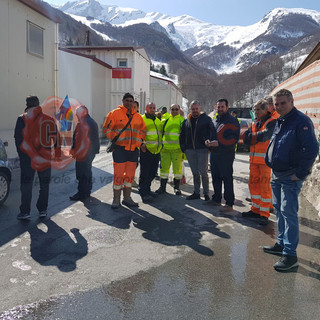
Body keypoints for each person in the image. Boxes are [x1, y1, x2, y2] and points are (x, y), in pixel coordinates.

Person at [264, 89, 318, 271]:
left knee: (289, 213)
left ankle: (290, 255)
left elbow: (311, 149)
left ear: (292, 101)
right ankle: (281, 244)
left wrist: (301, 173)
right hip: (277, 174)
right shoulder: (281, 120)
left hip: (290, 175)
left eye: (283, 103)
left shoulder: (301, 121)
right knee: (279, 210)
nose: (279, 107)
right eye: (276, 104)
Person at [14, 95, 61, 220]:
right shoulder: (48, 119)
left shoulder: (21, 119)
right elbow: (56, 138)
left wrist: (22, 156)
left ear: (27, 105)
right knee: (44, 185)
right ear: (38, 105)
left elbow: (18, 139)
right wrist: (56, 155)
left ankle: (25, 212)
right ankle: (42, 210)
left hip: (28, 159)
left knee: (26, 184)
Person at [103, 93, 146, 209]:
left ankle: (127, 198)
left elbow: (143, 130)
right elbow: (106, 128)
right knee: (118, 176)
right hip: (120, 150)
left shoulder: (137, 117)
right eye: (126, 100)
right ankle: (116, 199)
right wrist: (115, 138)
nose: (129, 102)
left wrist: (140, 141)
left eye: (131, 101)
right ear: (122, 101)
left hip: (133, 151)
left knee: (130, 177)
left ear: (133, 103)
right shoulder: (114, 113)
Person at [241, 99, 276, 224]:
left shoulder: (272, 122)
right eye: (255, 110)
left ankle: (264, 213)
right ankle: (255, 210)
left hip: (265, 161)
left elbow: (266, 135)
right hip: (254, 160)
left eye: (258, 110)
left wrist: (252, 137)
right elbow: (245, 138)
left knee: (264, 187)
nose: (256, 112)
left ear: (265, 109)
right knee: (253, 185)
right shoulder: (255, 122)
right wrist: (253, 137)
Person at [206, 99, 240, 211]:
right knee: (215, 177)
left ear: (227, 107)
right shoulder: (215, 120)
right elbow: (211, 135)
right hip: (215, 154)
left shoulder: (232, 121)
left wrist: (219, 143)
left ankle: (229, 203)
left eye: (222, 107)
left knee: (227, 178)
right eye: (218, 107)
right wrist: (208, 141)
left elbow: (233, 139)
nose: (220, 109)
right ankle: (216, 199)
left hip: (226, 155)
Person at [179, 100, 216, 201]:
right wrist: (184, 148)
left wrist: (208, 146)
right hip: (190, 150)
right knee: (195, 172)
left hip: (202, 149)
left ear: (200, 108)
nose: (195, 111)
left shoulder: (207, 119)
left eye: (196, 109)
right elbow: (182, 135)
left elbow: (211, 132)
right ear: (190, 109)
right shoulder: (186, 121)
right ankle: (196, 192)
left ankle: (206, 194)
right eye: (193, 109)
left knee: (203, 173)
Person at [69, 105, 100, 201]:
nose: (76, 115)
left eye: (77, 113)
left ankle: (82, 193)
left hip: (84, 153)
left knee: (82, 173)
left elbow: (86, 140)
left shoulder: (87, 123)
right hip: (84, 153)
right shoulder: (86, 121)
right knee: (86, 172)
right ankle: (86, 191)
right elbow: (77, 137)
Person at [156, 104, 184, 195]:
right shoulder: (165, 120)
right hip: (165, 150)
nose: (174, 111)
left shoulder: (182, 120)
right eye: (173, 109)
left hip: (177, 150)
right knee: (164, 170)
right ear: (170, 110)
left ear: (179, 110)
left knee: (177, 170)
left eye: (176, 109)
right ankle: (162, 188)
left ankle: (177, 188)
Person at [139, 102, 163, 202]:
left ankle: (148, 190)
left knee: (153, 172)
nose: (152, 109)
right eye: (150, 108)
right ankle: (143, 192)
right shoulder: (142, 119)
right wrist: (141, 144)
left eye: (154, 108)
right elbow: (137, 133)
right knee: (145, 172)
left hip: (156, 150)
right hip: (147, 150)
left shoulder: (157, 121)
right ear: (146, 108)